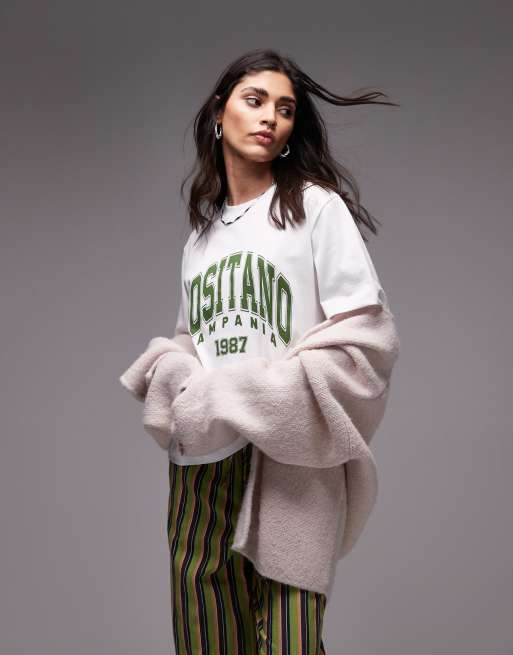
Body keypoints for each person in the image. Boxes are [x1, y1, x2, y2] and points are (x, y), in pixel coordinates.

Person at [133, 48, 399, 654]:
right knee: (205, 641)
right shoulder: (199, 239)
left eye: (284, 109)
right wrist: (176, 380)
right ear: (217, 114)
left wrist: (257, 392)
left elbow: (366, 336)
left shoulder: (314, 207)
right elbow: (193, 339)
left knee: (289, 641)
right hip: (201, 461)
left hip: (289, 457)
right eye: (255, 101)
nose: (270, 118)